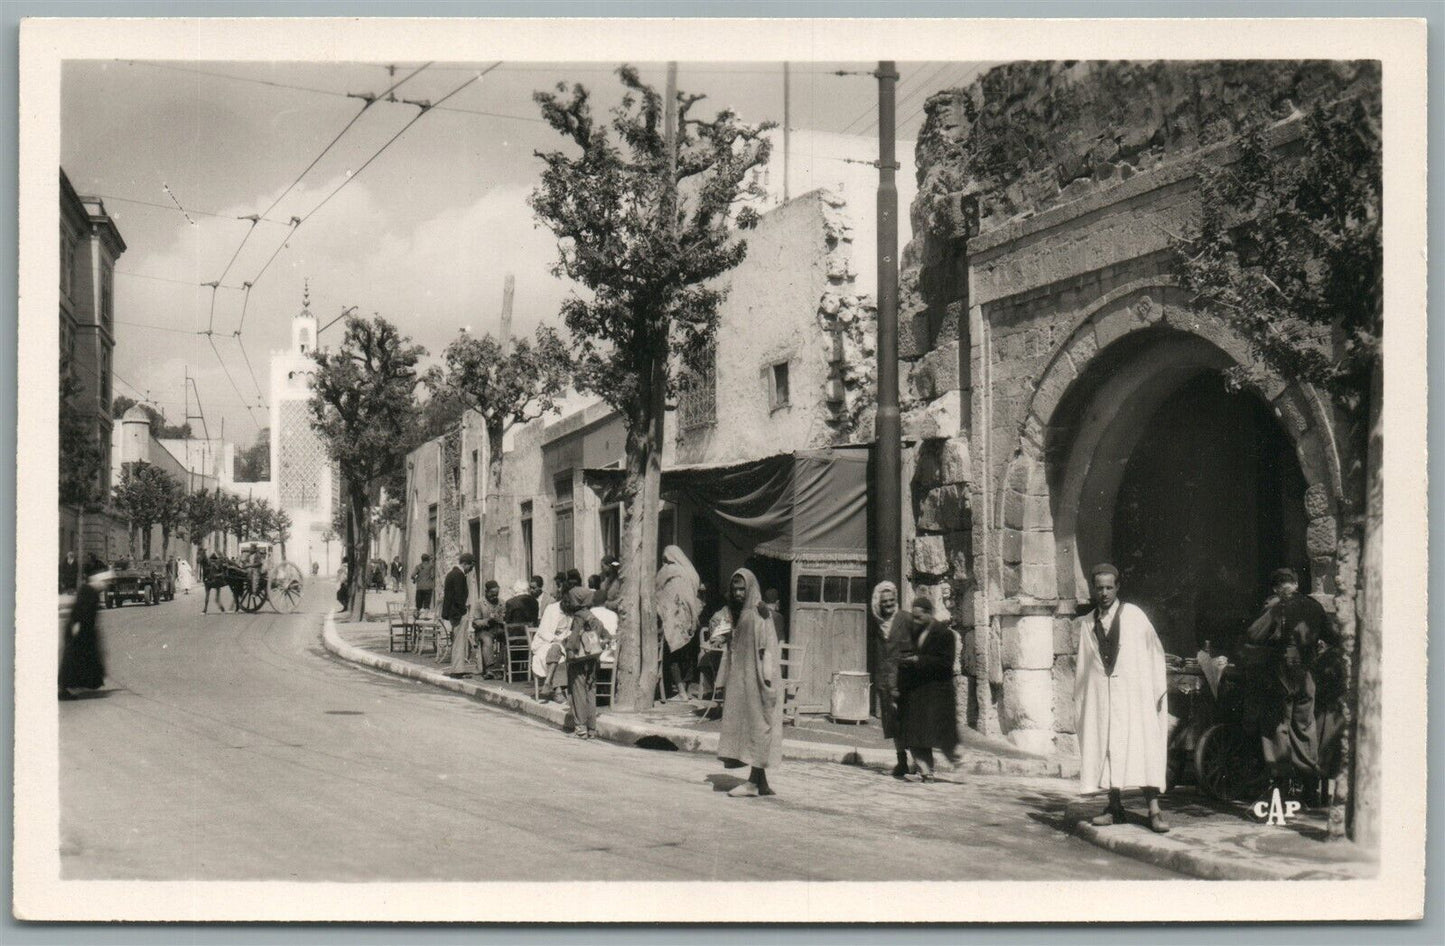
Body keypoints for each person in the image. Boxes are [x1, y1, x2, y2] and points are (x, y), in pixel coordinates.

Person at [1074, 562, 1170, 833]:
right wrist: (1083, 700)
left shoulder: (1134, 616)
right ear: (1094, 589)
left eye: (1109, 587)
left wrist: (1153, 691)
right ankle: (1114, 807)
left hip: (1132, 696)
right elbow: (1085, 665)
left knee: (1141, 747)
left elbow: (1154, 652)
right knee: (1107, 748)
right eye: (1099, 588)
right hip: (1102, 698)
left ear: (1117, 588)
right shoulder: (1087, 624)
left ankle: (1154, 810)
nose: (1104, 593)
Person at [1245, 566, 1340, 805]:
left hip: (1280, 675)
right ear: (1297, 584)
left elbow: (1254, 635)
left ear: (1277, 587)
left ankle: (1281, 788)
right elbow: (1333, 638)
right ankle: (1310, 790)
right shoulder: (1313, 606)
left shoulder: (1276, 606)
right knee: (1304, 726)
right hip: (1306, 674)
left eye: (1279, 585)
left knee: (1277, 727)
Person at [715, 568, 783, 798]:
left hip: (756, 680)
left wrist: (765, 681)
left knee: (758, 726)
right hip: (743, 680)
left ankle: (753, 783)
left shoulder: (757, 614)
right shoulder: (742, 613)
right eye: (735, 588)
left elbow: (766, 649)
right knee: (751, 727)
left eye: (742, 588)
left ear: (751, 588)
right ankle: (760, 781)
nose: (738, 593)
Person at [891, 597, 959, 782]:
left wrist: (918, 661)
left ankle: (926, 772)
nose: (916, 620)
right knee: (915, 734)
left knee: (920, 734)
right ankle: (925, 771)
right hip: (915, 691)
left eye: (919, 617)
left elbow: (946, 663)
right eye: (914, 617)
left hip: (932, 692)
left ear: (930, 614)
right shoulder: (915, 633)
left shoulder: (945, 635)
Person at [871, 581, 913, 778]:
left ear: (896, 599)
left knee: (908, 721)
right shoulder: (878, 622)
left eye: (891, 600)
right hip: (885, 680)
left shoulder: (906, 618)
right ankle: (902, 762)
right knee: (892, 723)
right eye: (884, 601)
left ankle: (921, 763)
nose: (888, 604)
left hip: (903, 679)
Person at [563, 586, 614, 739]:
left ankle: (581, 729)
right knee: (590, 692)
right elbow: (607, 636)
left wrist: (568, 649)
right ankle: (592, 728)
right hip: (593, 660)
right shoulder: (592, 616)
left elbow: (573, 640)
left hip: (578, 661)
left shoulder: (579, 616)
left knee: (578, 693)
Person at [656, 545, 702, 702]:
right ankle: (687, 690)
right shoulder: (689, 572)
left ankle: (680, 691)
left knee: (672, 655)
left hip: (672, 621)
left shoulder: (667, 571)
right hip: (689, 618)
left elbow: (657, 591)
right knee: (688, 655)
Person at [60, 567, 112, 699]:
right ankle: (65, 689)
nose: (105, 586)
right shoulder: (88, 591)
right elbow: (80, 610)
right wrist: (76, 626)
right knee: (75, 660)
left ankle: (73, 687)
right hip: (79, 629)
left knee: (84, 659)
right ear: (99, 581)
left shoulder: (90, 590)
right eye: (105, 583)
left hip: (85, 630)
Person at [531, 585, 570, 703]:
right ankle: (558, 692)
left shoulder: (572, 612)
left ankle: (548, 682)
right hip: (545, 642)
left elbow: (571, 630)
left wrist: (562, 638)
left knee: (558, 649)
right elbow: (543, 631)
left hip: (563, 642)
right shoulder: (551, 609)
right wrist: (555, 639)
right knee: (557, 651)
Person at [442, 553, 476, 673]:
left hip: (453, 613)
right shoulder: (459, 575)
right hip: (458, 613)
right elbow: (458, 596)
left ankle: (456, 668)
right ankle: (457, 670)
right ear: (465, 563)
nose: (471, 570)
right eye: (470, 567)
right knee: (459, 642)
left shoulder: (452, 573)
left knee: (457, 641)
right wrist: (463, 611)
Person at [472, 580, 508, 679]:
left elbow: (505, 617)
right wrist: (488, 620)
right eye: (492, 594)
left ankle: (499, 665)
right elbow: (475, 622)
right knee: (487, 640)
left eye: (496, 594)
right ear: (486, 592)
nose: (494, 597)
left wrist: (501, 618)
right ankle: (489, 668)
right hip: (484, 631)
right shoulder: (479, 603)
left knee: (508, 639)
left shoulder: (502, 602)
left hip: (498, 628)